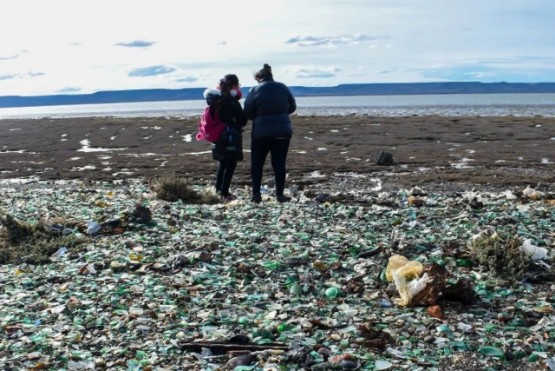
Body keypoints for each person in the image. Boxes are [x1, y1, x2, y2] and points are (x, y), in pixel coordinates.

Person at [243, 64, 297, 203]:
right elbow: (292, 107)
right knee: (279, 164)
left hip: (261, 133)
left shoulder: (254, 90)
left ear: (258, 78)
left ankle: (256, 195)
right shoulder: (283, 87)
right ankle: (279, 195)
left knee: (257, 164)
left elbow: (248, 111)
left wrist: (259, 116)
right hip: (282, 132)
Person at [205, 74, 247, 201]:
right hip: (230, 137)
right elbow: (240, 119)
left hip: (218, 136)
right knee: (230, 164)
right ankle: (224, 193)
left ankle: (219, 190)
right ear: (234, 86)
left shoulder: (216, 99)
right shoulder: (231, 100)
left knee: (222, 164)